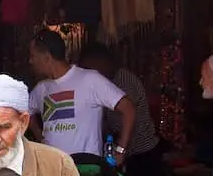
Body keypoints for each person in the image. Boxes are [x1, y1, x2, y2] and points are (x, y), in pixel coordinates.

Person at [27, 29, 135, 161]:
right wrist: (40, 136)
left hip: (85, 170)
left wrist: (121, 150)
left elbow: (128, 109)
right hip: (53, 170)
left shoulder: (90, 80)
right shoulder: (41, 89)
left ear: (46, 58)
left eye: (33, 56)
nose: (30, 61)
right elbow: (27, 113)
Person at [83, 43, 163, 176]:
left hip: (141, 152)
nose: (88, 73)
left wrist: (118, 149)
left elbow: (126, 121)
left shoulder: (123, 81)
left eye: (89, 67)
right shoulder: (104, 84)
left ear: (101, 62)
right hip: (127, 152)